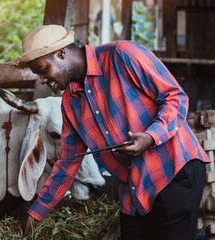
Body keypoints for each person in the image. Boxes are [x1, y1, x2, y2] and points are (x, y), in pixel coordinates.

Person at [12, 24, 210, 240]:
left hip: (173, 171)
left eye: (43, 70)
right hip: (134, 189)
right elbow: (68, 162)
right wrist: (35, 215)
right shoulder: (70, 102)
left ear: (60, 53)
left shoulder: (123, 55)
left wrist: (152, 136)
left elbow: (175, 98)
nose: (42, 80)